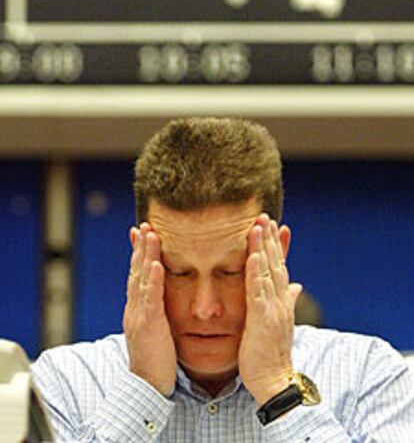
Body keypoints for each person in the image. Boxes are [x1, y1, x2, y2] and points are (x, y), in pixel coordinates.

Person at [31, 117, 414, 441]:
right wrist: (143, 388)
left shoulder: (368, 375)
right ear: (140, 257)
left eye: (230, 272)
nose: (205, 308)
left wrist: (278, 388)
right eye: (180, 273)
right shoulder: (64, 383)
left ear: (277, 252)